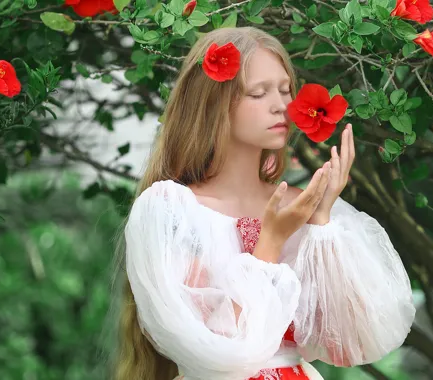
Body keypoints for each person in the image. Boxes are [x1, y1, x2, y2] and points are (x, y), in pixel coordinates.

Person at [113, 26, 415, 380]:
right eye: (259, 93)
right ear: (214, 102)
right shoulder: (172, 212)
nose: (282, 106)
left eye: (286, 90)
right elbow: (221, 351)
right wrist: (270, 243)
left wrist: (321, 222)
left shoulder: (300, 206)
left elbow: (353, 341)